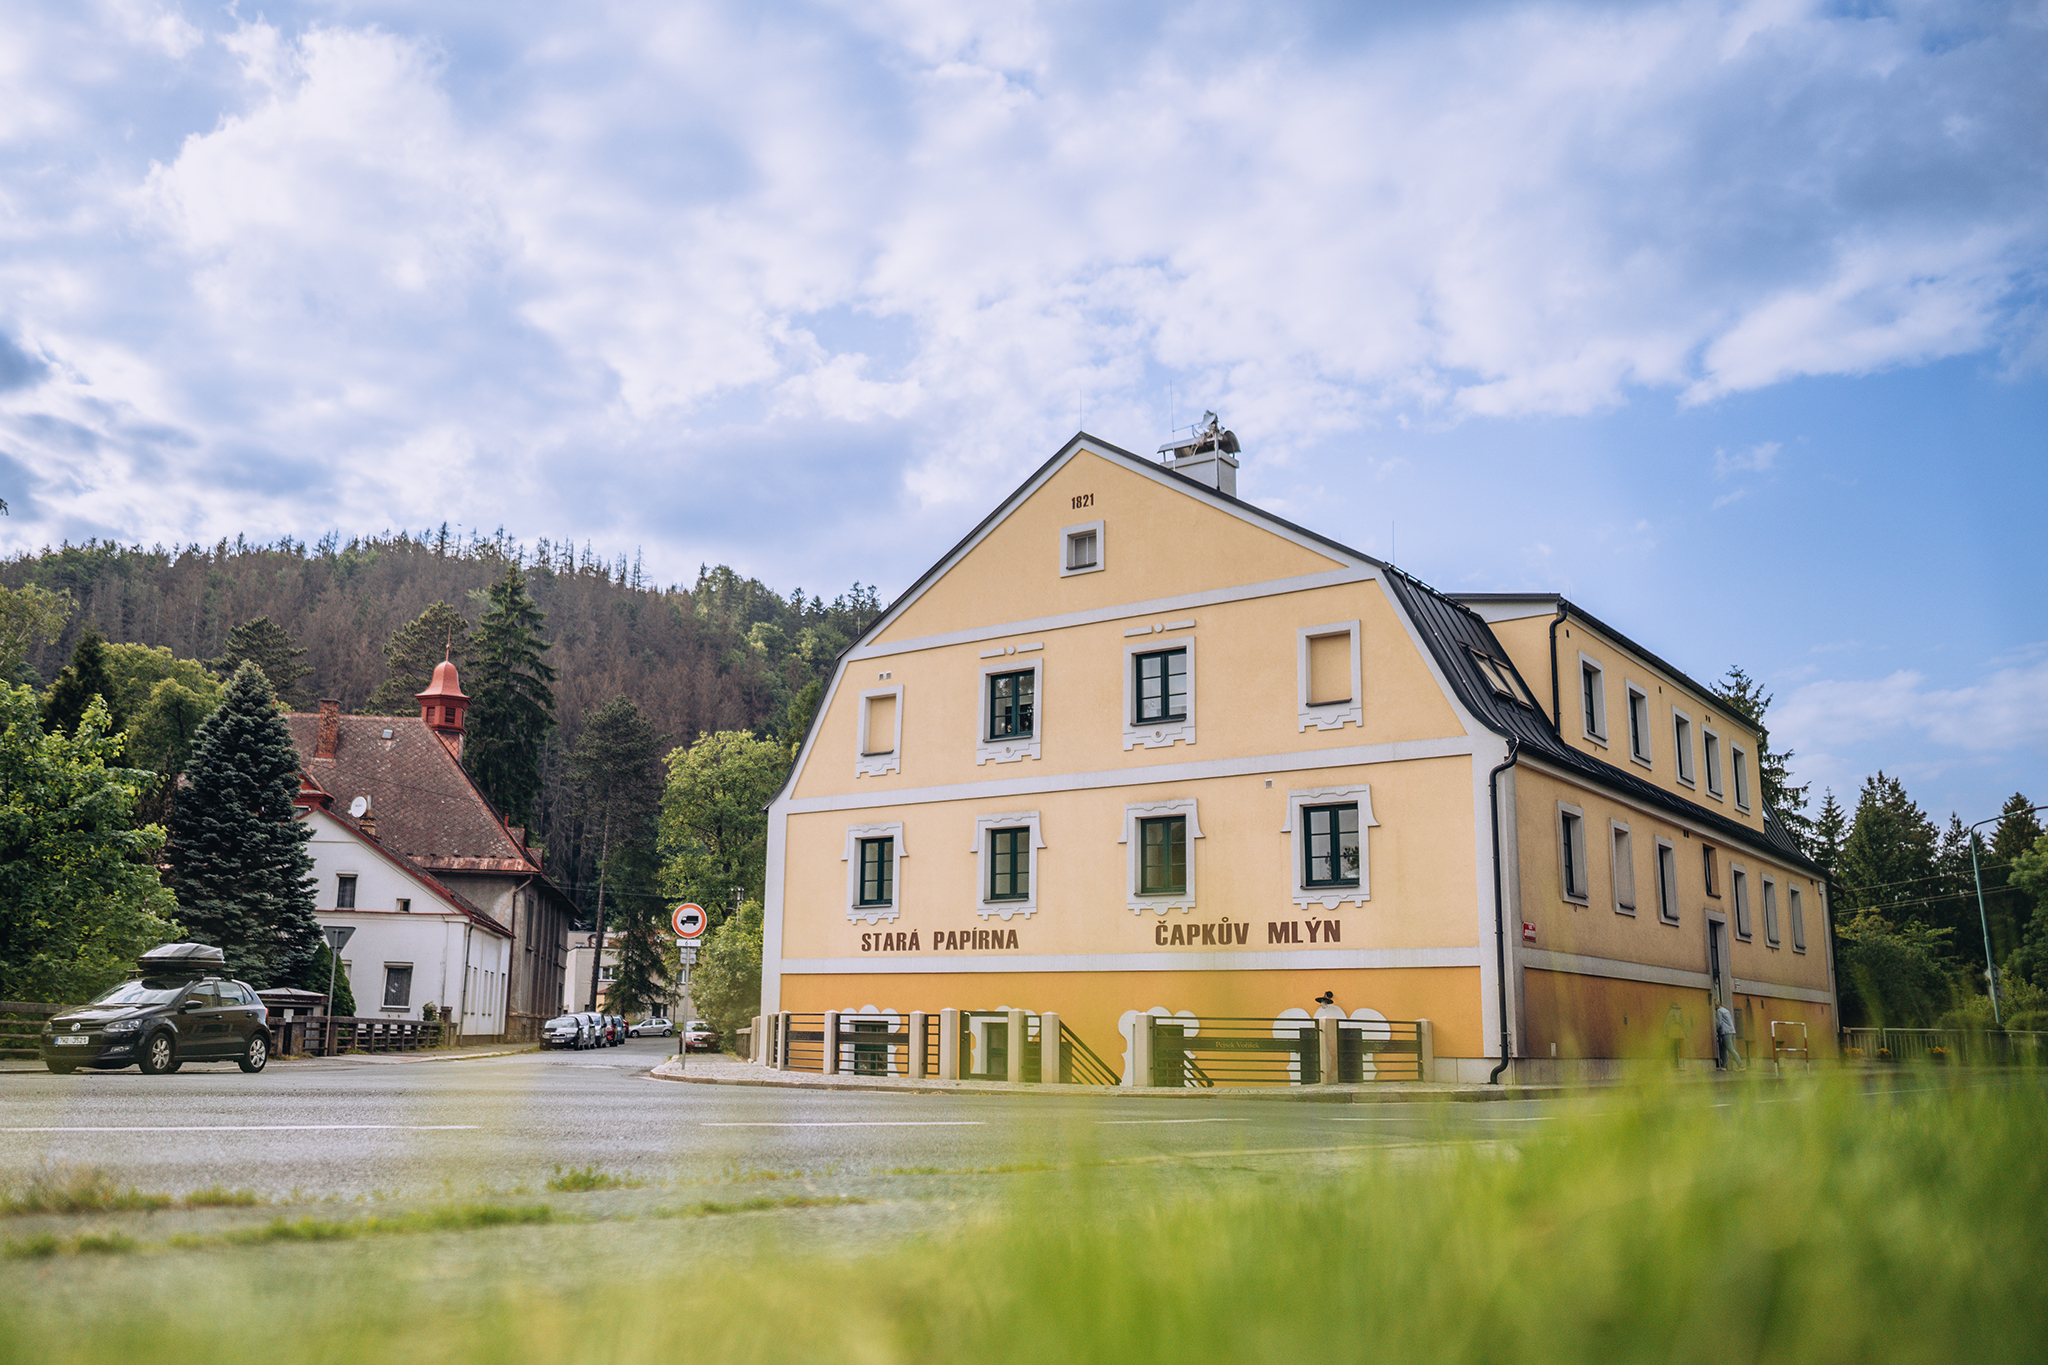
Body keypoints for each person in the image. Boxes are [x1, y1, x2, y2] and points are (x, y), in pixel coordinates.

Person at [1714, 1003, 1741, 1071]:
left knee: (1731, 1049)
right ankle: (1724, 1066)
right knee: (1724, 1049)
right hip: (1731, 1031)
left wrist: (1716, 1030)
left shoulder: (1719, 1011)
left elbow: (1719, 1022)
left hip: (1725, 1032)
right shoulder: (1726, 1010)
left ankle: (1740, 1065)